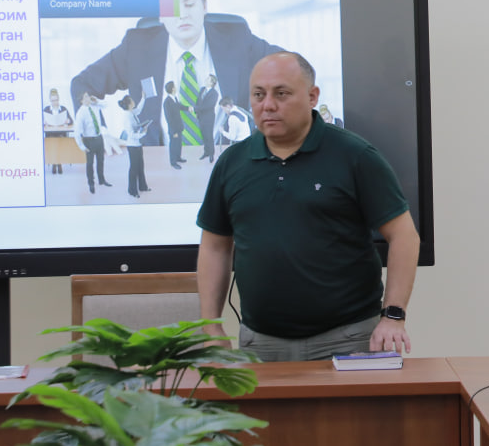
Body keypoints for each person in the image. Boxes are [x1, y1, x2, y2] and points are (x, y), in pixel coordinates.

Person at [197, 51, 420, 362]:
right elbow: (214, 247)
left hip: (349, 337)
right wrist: (211, 327)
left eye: (281, 93)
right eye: (259, 95)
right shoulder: (232, 163)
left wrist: (393, 315)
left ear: (313, 96)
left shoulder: (355, 155)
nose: (268, 105)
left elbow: (404, 236)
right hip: (261, 342)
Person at [69, 0, 283, 147]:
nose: (182, 15)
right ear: (161, 16)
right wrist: (97, 132)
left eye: (189, 4)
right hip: (158, 164)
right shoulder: (137, 47)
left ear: (204, 6)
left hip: (228, 163)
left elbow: (289, 66)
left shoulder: (236, 39)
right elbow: (83, 84)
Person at [73, 91, 110, 193]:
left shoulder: (95, 106)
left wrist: (97, 101)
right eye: (85, 97)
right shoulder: (81, 113)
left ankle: (102, 180)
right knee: (90, 163)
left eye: (88, 96)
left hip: (99, 138)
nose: (88, 98)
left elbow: (106, 105)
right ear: (81, 100)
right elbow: (77, 132)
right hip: (89, 140)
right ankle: (91, 183)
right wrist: (82, 146)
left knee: (101, 160)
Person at [117, 95, 149, 198]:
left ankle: (143, 187)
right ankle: (132, 191)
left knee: (140, 166)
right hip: (132, 145)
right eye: (132, 100)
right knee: (134, 168)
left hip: (137, 144)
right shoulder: (127, 117)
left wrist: (143, 98)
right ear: (129, 104)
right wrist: (143, 133)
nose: (134, 101)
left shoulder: (131, 113)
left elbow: (138, 109)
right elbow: (131, 134)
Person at [42, 88, 73, 174]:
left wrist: (67, 121)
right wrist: (44, 122)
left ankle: (57, 163)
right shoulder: (46, 109)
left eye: (56, 100)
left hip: (61, 134)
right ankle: (55, 163)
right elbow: (41, 122)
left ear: (58, 99)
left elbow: (71, 121)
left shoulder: (63, 109)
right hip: (50, 134)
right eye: (52, 101)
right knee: (53, 141)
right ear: (50, 100)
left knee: (58, 141)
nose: (54, 102)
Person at [162, 80, 190, 169]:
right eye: (175, 86)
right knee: (173, 145)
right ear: (172, 89)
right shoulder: (167, 102)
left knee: (178, 144)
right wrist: (173, 131)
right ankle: (173, 162)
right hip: (173, 129)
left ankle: (178, 157)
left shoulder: (175, 98)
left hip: (179, 127)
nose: (176, 87)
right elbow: (168, 118)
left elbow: (179, 106)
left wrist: (188, 108)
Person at [196, 74, 220, 161]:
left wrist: (196, 108)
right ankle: (206, 152)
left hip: (209, 117)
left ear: (212, 83)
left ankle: (211, 154)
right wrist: (196, 111)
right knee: (204, 135)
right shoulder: (202, 89)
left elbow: (209, 106)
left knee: (209, 135)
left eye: (208, 79)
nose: (205, 80)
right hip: (201, 116)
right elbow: (198, 101)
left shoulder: (214, 93)